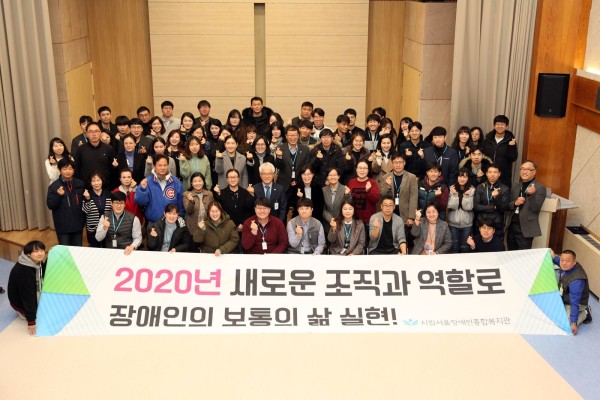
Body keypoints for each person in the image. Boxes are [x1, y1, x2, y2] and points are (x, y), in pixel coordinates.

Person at [7, 240, 46, 335]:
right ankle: (24, 313)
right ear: (28, 254)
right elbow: (27, 297)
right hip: (20, 302)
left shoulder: (37, 261)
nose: (40, 253)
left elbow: (44, 271)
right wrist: (31, 321)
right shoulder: (24, 271)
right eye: (36, 251)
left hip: (30, 292)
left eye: (42, 250)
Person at [507, 160, 546, 250]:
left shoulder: (540, 188)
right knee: (510, 253)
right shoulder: (516, 186)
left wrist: (531, 195)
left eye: (528, 169)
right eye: (522, 169)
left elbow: (536, 208)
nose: (524, 172)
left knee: (523, 255)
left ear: (534, 172)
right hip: (512, 226)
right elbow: (508, 205)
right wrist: (515, 203)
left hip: (525, 228)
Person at [134, 154, 185, 224]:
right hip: (153, 222)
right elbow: (140, 202)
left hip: (172, 222)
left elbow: (181, 203)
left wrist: (180, 218)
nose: (162, 168)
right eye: (160, 165)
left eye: (165, 165)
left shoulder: (176, 182)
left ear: (168, 166)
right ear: (154, 166)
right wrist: (143, 190)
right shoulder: (147, 182)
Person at [46, 158, 85, 246]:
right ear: (59, 170)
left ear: (73, 170)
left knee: (77, 249)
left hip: (78, 224)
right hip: (62, 226)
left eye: (70, 169)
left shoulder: (80, 184)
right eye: (64, 169)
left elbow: (83, 203)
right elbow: (50, 205)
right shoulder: (54, 186)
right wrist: (58, 195)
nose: (68, 171)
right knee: (64, 250)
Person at [553, 250, 592, 335]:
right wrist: (553, 256)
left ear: (574, 262)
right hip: (565, 295)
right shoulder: (566, 265)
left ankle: (585, 312)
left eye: (567, 261)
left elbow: (574, 303)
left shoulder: (577, 281)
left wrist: (573, 323)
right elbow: (559, 260)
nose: (564, 263)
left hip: (576, 302)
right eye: (562, 260)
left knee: (565, 323)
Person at [273, 125, 311, 203]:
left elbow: (306, 168)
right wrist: (279, 157)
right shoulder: (280, 148)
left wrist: (298, 181)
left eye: (294, 135)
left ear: (298, 136)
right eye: (290, 135)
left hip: (299, 184)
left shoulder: (305, 149)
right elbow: (278, 166)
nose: (292, 138)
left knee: (299, 206)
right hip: (284, 184)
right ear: (286, 136)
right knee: (283, 207)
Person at [74, 122, 118, 188]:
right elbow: (77, 169)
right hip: (86, 187)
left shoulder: (108, 148)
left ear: (100, 133)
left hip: (105, 187)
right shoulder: (81, 149)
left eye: (96, 131)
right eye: (91, 132)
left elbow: (112, 169)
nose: (94, 134)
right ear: (86, 133)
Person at [473, 163, 510, 238]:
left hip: (496, 224)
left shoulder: (505, 188)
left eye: (495, 172)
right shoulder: (480, 187)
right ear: (486, 173)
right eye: (490, 172)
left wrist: (496, 198)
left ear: (499, 174)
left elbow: (504, 208)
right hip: (481, 222)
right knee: (479, 244)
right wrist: (493, 207)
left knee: (496, 244)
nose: (492, 174)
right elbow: (476, 207)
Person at [213, 168, 255, 233]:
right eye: (230, 177)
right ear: (227, 179)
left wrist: (243, 223)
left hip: (244, 228)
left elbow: (249, 210)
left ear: (238, 178)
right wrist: (218, 194)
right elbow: (221, 211)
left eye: (235, 177)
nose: (232, 179)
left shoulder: (245, 193)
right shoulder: (221, 193)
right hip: (227, 229)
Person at [481, 115, 518, 186]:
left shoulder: (511, 140)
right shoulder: (487, 139)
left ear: (506, 126)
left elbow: (513, 158)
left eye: (502, 124)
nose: (500, 126)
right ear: (494, 126)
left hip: (504, 176)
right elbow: (482, 155)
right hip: (488, 175)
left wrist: (511, 147)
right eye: (498, 124)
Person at [347, 161, 380, 239]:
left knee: (368, 242)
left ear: (368, 170)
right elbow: (348, 201)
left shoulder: (372, 182)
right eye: (360, 168)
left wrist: (368, 190)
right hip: (354, 220)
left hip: (368, 220)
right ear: (356, 169)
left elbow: (376, 199)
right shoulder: (351, 182)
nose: (362, 170)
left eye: (364, 168)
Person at [447, 169, 475, 253]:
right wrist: (454, 195)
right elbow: (452, 206)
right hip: (453, 224)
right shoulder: (451, 188)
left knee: (464, 247)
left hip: (467, 224)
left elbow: (468, 207)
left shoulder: (472, 190)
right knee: (454, 247)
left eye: (465, 177)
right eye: (460, 176)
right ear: (457, 177)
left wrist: (466, 196)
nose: (462, 179)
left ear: (468, 178)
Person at [82, 172, 112, 248]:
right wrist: (88, 199)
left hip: (106, 227)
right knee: (95, 250)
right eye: (93, 181)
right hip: (92, 229)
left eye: (98, 180)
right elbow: (85, 211)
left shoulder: (108, 193)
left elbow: (112, 210)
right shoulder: (87, 194)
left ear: (102, 181)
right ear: (90, 183)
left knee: (107, 249)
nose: (96, 183)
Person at [183, 172, 214, 238]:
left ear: (203, 182)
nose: (197, 183)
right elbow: (188, 211)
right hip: (192, 227)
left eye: (200, 181)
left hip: (207, 226)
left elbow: (212, 210)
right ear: (191, 183)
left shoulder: (209, 194)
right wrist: (191, 201)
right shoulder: (186, 194)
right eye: (195, 181)